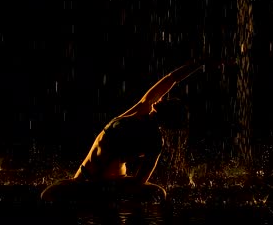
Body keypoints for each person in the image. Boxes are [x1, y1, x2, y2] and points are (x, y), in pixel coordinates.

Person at [41, 61, 205, 202]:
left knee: (158, 193)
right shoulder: (141, 110)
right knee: (48, 195)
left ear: (167, 115)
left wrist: (112, 190)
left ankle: (102, 198)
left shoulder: (154, 141)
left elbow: (140, 181)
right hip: (84, 178)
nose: (163, 98)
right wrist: (199, 64)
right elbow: (171, 79)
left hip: (103, 184)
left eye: (168, 102)